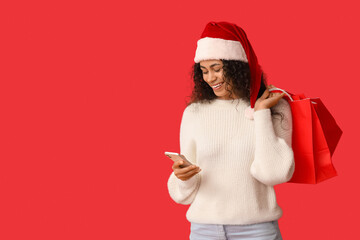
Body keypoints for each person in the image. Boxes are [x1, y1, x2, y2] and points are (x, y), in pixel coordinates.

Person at [167, 21, 295, 240]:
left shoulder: (274, 106)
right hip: (204, 230)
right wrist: (182, 177)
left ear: (237, 65)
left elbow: (273, 174)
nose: (210, 78)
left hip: (257, 231)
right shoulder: (194, 113)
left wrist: (262, 113)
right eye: (204, 71)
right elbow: (184, 195)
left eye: (217, 69)